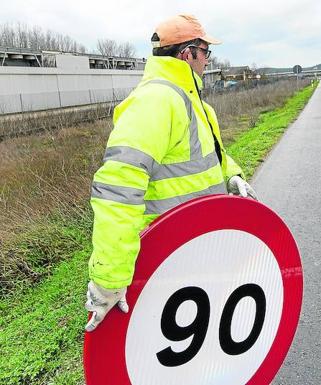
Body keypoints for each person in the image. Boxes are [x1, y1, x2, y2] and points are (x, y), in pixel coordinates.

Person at [84, 14, 257, 332]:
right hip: (168, 258)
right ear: (189, 53)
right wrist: (108, 280)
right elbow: (118, 189)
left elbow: (211, 157)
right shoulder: (156, 101)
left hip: (202, 247)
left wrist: (232, 177)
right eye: (206, 53)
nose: (208, 61)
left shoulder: (194, 104)